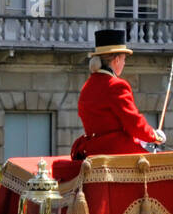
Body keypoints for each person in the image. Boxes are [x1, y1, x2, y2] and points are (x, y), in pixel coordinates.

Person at [69, 28, 166, 160]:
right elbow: (134, 123)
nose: (124, 63)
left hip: (93, 151)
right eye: (124, 59)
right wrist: (155, 136)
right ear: (116, 60)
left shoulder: (87, 86)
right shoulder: (116, 86)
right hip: (116, 152)